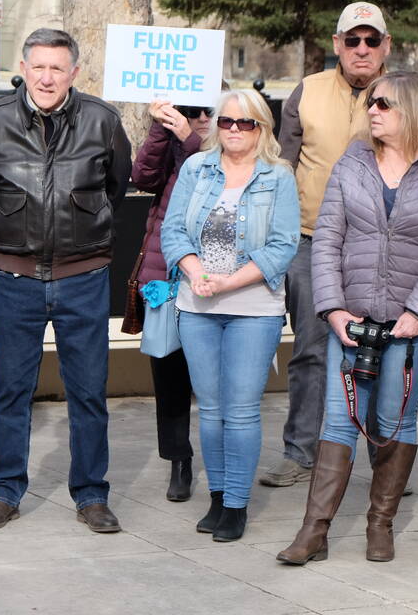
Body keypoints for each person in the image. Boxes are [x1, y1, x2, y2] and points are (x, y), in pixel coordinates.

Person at [278, 70, 418, 566]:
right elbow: (327, 240)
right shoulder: (353, 161)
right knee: (339, 422)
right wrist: (334, 308)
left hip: (411, 325)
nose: (372, 111)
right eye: (370, 103)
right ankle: (313, 532)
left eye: (383, 103)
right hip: (353, 318)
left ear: (409, 107)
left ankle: (379, 524)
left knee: (393, 420)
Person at [0, 28, 131, 533]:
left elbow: (116, 187)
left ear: (73, 73)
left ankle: (90, 494)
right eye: (38, 66)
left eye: (57, 68)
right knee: (11, 390)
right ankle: (5, 491)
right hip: (15, 280)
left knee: (88, 393)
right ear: (25, 66)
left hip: (83, 279)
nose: (46, 77)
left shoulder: (103, 121)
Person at [263, 1, 392, 488]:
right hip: (310, 243)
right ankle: (300, 453)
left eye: (371, 40)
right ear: (337, 44)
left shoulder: (401, 94)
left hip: (381, 251)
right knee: (311, 353)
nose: (362, 49)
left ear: (386, 47)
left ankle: (384, 460)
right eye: (352, 40)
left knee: (384, 355)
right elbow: (282, 167)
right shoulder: (308, 91)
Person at [159, 91, 299, 542]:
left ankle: (236, 504)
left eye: (246, 123)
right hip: (196, 304)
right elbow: (173, 229)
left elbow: (282, 245)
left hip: (253, 309)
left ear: (262, 128)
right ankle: (217, 496)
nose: (234, 129)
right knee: (211, 409)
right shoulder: (195, 169)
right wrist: (198, 273)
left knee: (240, 411)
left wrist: (228, 281)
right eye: (226, 122)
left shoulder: (278, 177)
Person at [129, 99, 211, 502]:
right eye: (191, 111)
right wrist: (162, 128)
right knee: (170, 377)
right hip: (165, 281)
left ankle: (224, 461)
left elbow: (218, 174)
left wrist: (189, 137)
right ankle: (179, 459)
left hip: (216, 284)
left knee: (217, 382)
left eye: (208, 112)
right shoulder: (175, 148)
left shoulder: (223, 153)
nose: (200, 119)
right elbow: (142, 175)